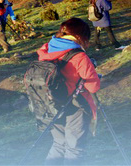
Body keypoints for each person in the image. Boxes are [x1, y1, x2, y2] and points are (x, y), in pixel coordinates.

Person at [36, 18, 101, 164]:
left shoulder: (48, 48)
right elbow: (93, 87)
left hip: (50, 104)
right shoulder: (79, 56)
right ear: (79, 36)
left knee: (59, 143)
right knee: (74, 148)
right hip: (74, 106)